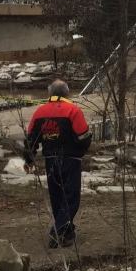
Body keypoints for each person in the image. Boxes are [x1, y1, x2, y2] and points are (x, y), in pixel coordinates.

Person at [23, 80, 93, 249]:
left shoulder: (40, 112)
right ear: (67, 93)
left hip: (50, 160)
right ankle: (58, 232)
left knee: (57, 197)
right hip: (70, 159)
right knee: (70, 197)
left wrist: (29, 159)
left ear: (50, 94)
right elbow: (83, 136)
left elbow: (30, 138)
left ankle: (67, 232)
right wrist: (80, 152)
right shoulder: (73, 110)